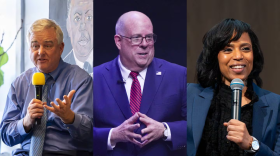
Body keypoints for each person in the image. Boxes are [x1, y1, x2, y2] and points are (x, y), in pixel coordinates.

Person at [93, 11, 186, 156]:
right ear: (118, 41)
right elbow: (81, 132)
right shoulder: (95, 78)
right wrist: (112, 135)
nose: (144, 44)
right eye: (136, 38)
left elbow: (194, 125)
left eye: (149, 37)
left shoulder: (179, 75)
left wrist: (165, 130)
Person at [187, 18, 280, 156]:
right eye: (228, 49)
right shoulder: (189, 95)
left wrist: (251, 144)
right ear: (215, 56)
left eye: (245, 48)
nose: (238, 56)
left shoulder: (275, 104)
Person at [0, 18, 93, 156]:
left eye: (48, 45)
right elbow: (6, 135)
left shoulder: (80, 80)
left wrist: (70, 118)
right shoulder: (19, 83)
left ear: (61, 48)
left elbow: (90, 135)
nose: (40, 52)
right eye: (35, 46)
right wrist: (26, 122)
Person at [64, 0, 93, 76]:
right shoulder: (59, 70)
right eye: (77, 18)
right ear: (68, 26)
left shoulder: (107, 65)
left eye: (89, 18)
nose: (83, 27)